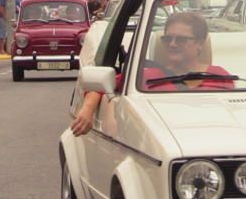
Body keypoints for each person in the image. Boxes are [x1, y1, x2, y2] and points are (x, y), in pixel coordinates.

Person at [71, 12, 233, 136]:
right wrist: (87, 110)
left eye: (181, 39)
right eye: (167, 38)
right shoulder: (145, 76)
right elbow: (100, 84)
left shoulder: (221, 76)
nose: (172, 44)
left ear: (199, 43)